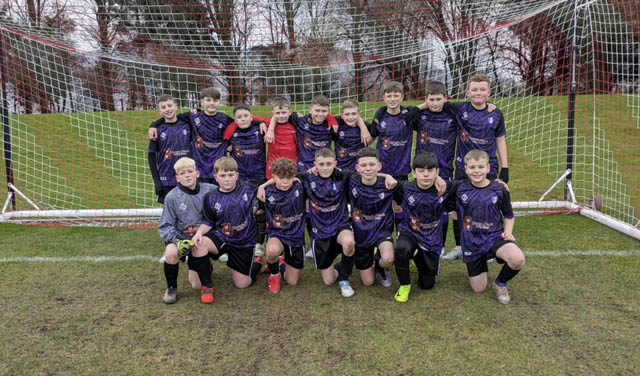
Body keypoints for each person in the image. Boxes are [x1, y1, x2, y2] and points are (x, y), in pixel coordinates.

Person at [258, 148, 358, 297]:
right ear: (315, 164)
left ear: (335, 163)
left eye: (328, 164)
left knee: (349, 242)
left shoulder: (343, 176)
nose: (325, 168)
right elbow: (283, 174)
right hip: (319, 231)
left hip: (340, 225)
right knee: (325, 281)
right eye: (321, 164)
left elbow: (366, 174)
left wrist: (387, 176)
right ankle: (277, 270)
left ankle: (344, 279)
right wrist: (262, 186)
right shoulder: (307, 178)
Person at [445, 150, 525, 304]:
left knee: (517, 259)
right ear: (466, 169)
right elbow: (441, 194)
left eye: (481, 167)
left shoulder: (499, 189)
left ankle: (500, 283)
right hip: (471, 242)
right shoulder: (459, 188)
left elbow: (508, 215)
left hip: (494, 237)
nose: (477, 171)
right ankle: (482, 259)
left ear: (488, 168)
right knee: (478, 288)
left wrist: (507, 233)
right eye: (472, 167)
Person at [444, 74, 509, 260]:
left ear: (488, 92)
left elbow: (500, 140)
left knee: (489, 206)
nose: (478, 93)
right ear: (468, 92)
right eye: (474, 89)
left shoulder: (496, 113)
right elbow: (436, 101)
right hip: (463, 168)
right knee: (458, 207)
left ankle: (492, 246)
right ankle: (459, 246)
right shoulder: (459, 109)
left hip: (488, 168)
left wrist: (505, 167)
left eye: (482, 90)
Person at [192, 157, 264, 292]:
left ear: (237, 176)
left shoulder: (248, 189)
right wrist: (199, 233)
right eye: (222, 175)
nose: (227, 179)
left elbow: (272, 188)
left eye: (230, 175)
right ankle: (207, 287)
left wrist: (262, 187)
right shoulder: (210, 197)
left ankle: (256, 264)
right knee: (199, 245)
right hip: (222, 237)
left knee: (242, 284)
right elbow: (208, 221)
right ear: (215, 177)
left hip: (244, 242)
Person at [158, 157, 217, 305]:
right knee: (170, 253)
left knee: (196, 285)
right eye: (182, 173)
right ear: (177, 178)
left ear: (197, 173)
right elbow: (165, 225)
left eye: (190, 171)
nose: (187, 175)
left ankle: (206, 284)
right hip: (181, 238)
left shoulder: (210, 190)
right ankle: (171, 288)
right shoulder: (171, 197)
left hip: (201, 238)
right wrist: (178, 241)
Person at [392, 151, 449, 302]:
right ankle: (405, 285)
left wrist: (498, 183)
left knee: (427, 285)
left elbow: (472, 183)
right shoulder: (404, 187)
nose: (425, 175)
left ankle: (416, 256)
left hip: (431, 238)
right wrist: (386, 177)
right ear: (413, 173)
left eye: (430, 171)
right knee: (401, 249)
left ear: (437, 172)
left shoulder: (446, 188)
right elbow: (379, 181)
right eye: (421, 171)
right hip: (409, 231)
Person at [149, 88, 233, 183]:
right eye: (208, 100)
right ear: (201, 102)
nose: (212, 103)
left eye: (215, 100)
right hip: (198, 169)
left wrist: (230, 142)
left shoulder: (225, 119)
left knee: (217, 197)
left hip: (218, 168)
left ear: (219, 102)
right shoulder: (193, 116)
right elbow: (171, 117)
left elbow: (239, 125)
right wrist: (154, 125)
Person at [342, 148, 398, 288]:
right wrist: (313, 170)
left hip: (381, 231)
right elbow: (327, 170)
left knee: (388, 258)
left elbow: (417, 184)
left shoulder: (389, 184)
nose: (368, 168)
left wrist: (386, 176)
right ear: (357, 168)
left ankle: (380, 266)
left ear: (379, 166)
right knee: (368, 282)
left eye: (372, 165)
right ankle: (361, 261)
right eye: (364, 165)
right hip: (360, 234)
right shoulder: (351, 180)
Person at [224, 103, 268, 258]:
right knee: (242, 212)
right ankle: (241, 243)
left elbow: (275, 119)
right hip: (241, 179)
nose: (243, 119)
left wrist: (261, 121)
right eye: (239, 117)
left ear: (251, 116)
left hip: (260, 178)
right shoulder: (231, 133)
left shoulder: (260, 129)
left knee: (261, 212)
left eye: (246, 116)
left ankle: (259, 244)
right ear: (235, 120)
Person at [369, 81, 413, 229]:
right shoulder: (380, 117)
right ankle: (382, 236)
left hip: (401, 169)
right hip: (381, 170)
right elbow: (371, 137)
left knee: (400, 206)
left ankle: (401, 233)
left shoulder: (408, 115)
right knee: (381, 206)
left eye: (396, 95)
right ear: (384, 97)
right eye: (389, 95)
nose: (392, 99)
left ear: (402, 97)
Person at [260, 158, 307, 293]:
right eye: (281, 178)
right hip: (277, 234)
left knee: (291, 282)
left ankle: (281, 262)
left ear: (294, 176)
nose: (285, 182)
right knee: (271, 251)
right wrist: (261, 187)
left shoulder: (301, 187)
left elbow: (313, 174)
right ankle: (274, 274)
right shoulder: (266, 192)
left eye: (289, 178)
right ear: (274, 177)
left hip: (296, 236)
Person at [147, 94, 192, 204]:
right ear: (159, 111)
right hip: (167, 180)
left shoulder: (188, 124)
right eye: (163, 107)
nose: (167, 109)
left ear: (176, 106)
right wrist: (157, 182)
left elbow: (201, 113)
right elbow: (151, 157)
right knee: (169, 215)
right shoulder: (157, 130)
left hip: (187, 177)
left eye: (169, 105)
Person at [263, 97, 298, 179]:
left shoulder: (295, 123)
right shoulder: (268, 122)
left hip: (292, 164)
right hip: (274, 165)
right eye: (278, 113)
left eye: (284, 112)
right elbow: (251, 119)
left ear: (290, 112)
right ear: (273, 113)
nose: (281, 116)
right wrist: (264, 125)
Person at [333, 99, 372, 171]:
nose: (350, 117)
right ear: (342, 115)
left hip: (360, 170)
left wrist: (363, 128)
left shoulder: (367, 127)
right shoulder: (338, 125)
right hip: (340, 169)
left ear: (359, 114)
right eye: (347, 114)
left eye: (354, 114)